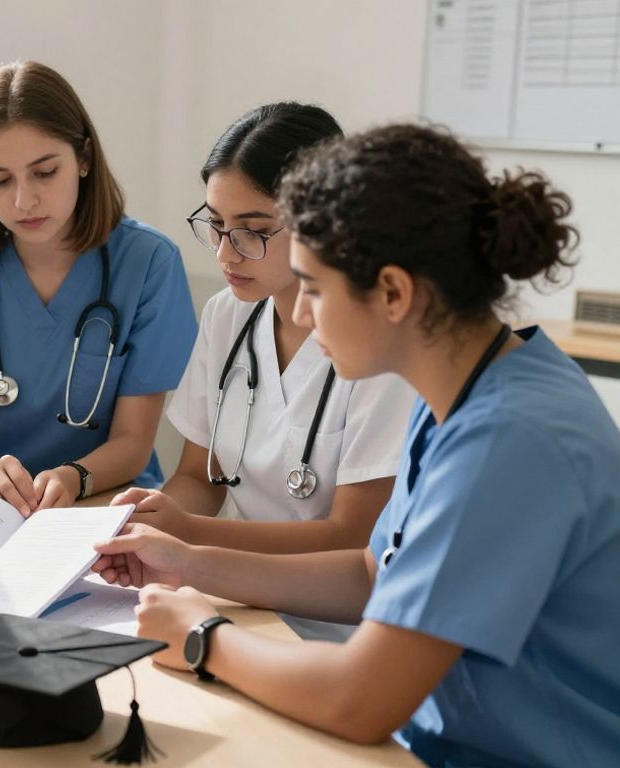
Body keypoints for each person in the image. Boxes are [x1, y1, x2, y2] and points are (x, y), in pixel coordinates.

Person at [93, 124, 620, 766]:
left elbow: (361, 702)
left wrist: (205, 637)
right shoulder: (468, 386)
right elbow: (374, 576)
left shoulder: (510, 439)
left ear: (394, 293)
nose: (304, 315)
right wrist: (189, 563)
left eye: (314, 288)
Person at [116, 103, 415, 640]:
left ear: (320, 221)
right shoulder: (227, 314)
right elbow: (198, 477)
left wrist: (190, 539)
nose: (226, 254)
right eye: (215, 224)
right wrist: (154, 520)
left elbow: (354, 538)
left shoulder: (378, 347)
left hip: (337, 622)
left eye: (252, 231)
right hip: (234, 593)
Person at [0, 61, 196, 517]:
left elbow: (133, 444)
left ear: (84, 160)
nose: (24, 200)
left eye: (44, 172)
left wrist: (74, 477)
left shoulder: (149, 263)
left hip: (98, 497)